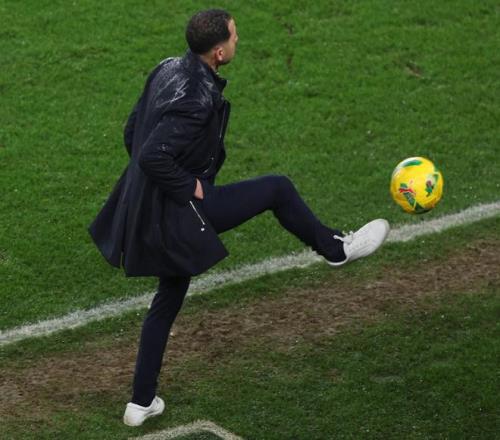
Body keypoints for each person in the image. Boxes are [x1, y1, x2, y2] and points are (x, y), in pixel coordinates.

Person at [88, 9, 390, 427]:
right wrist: (189, 187)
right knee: (277, 188)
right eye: (233, 36)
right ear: (218, 52)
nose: (237, 39)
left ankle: (140, 403)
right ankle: (335, 249)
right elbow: (152, 154)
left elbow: (132, 131)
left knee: (169, 296)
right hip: (179, 209)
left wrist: (158, 187)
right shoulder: (196, 97)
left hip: (148, 206)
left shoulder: (167, 68)